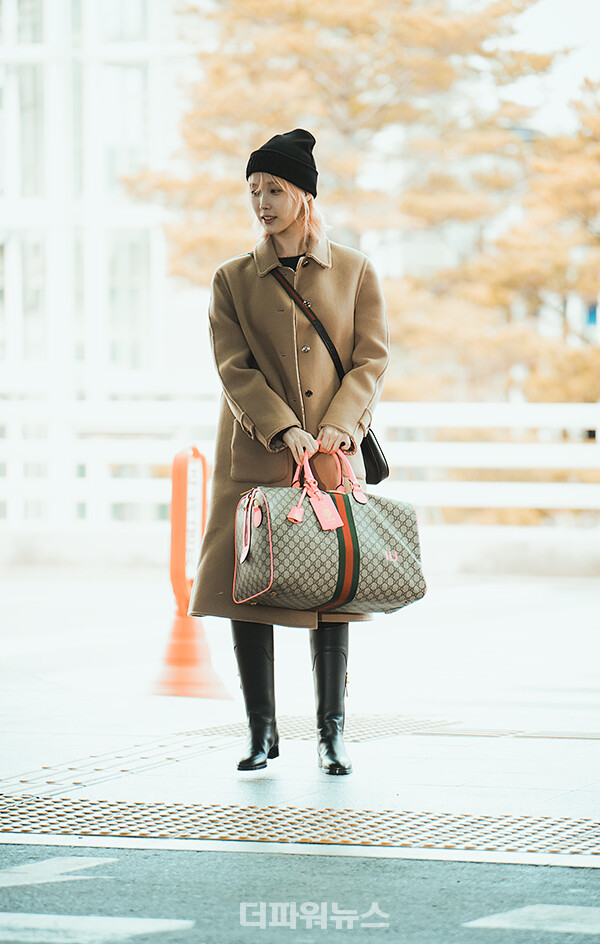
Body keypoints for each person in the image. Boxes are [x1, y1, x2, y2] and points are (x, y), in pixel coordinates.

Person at [188, 129, 389, 775]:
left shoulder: (355, 269)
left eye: (275, 189)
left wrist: (338, 427)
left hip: (331, 455)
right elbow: (234, 368)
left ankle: (332, 734)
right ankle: (261, 732)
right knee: (251, 588)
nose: (263, 202)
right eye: (254, 191)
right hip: (256, 456)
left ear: (304, 194)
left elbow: (370, 359)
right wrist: (282, 430)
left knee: (331, 591)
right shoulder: (232, 279)